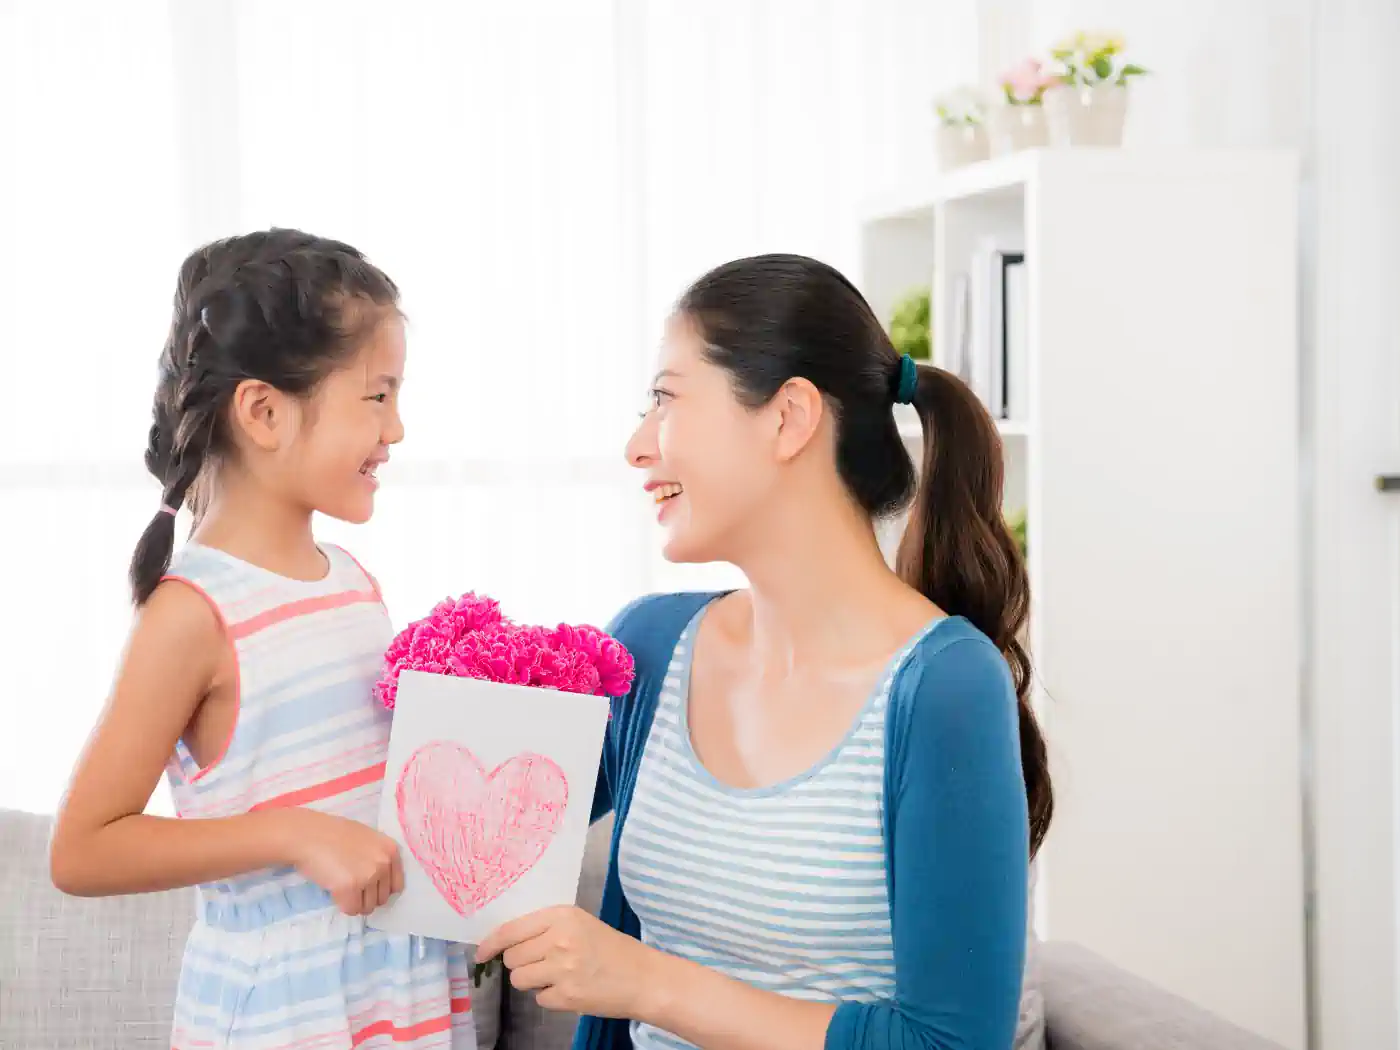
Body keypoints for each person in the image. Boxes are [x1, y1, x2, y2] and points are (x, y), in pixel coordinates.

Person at [476, 253, 1049, 1050]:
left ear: (789, 418)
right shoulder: (651, 644)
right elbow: (486, 829)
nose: (639, 446)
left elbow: (951, 1043)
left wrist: (644, 981)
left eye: (665, 401)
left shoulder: (944, 687)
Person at [49, 230, 476, 1050]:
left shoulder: (352, 581)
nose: (398, 429)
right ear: (264, 411)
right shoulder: (192, 612)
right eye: (377, 396)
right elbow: (82, 850)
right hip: (288, 1013)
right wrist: (296, 834)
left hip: (399, 986)